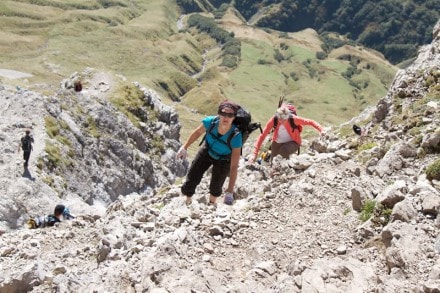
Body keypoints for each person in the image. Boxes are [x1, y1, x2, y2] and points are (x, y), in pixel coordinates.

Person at [176, 100, 242, 205]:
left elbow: (234, 166)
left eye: (230, 115)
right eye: (223, 113)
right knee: (193, 175)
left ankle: (211, 206)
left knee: (216, 185)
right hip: (207, 150)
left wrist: (229, 191)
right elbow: (197, 132)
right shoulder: (210, 122)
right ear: (219, 114)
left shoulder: (236, 136)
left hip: (224, 159)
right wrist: (185, 147)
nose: (226, 117)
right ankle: (186, 201)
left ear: (234, 117)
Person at [248, 103, 325, 164]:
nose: (281, 121)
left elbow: (310, 122)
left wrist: (321, 130)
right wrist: (254, 154)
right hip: (277, 142)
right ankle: (274, 178)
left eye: (284, 119)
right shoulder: (274, 119)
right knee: (273, 161)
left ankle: (284, 173)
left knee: (284, 151)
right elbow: (263, 135)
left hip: (293, 142)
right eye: (280, 119)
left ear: (288, 116)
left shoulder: (293, 119)